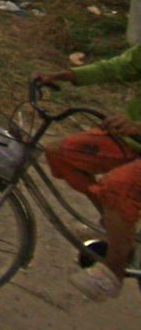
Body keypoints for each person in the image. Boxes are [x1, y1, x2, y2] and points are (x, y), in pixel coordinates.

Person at [35, 45, 141, 301]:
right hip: (134, 141)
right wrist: (67, 75)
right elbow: (119, 67)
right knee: (61, 153)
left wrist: (137, 126)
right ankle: (116, 230)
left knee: (116, 186)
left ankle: (113, 273)